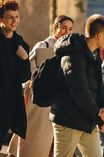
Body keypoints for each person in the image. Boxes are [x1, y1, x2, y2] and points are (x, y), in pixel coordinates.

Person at [6, 15, 74, 157]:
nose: (66, 32)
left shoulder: (69, 51)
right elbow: (28, 70)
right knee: (33, 134)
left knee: (47, 138)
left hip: (56, 99)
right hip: (37, 97)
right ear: (55, 28)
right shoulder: (43, 45)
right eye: (63, 28)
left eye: (70, 29)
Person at [49, 14, 104, 157]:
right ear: (99, 35)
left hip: (87, 119)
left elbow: (100, 86)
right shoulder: (72, 55)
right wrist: (98, 118)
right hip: (68, 120)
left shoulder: (94, 54)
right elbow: (81, 93)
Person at [0, 1, 31, 150]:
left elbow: (25, 77)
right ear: (1, 19)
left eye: (16, 17)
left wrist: (25, 59)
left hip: (8, 104)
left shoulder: (21, 44)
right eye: (10, 17)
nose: (14, 21)